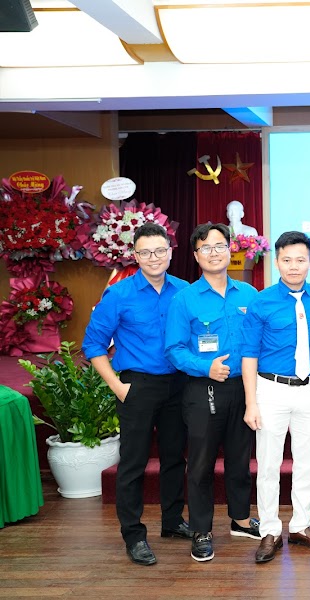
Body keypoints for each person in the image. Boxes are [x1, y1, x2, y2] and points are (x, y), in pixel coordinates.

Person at [82, 223, 191, 566]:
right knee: (133, 462)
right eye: (145, 252)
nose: (153, 257)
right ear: (135, 256)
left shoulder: (185, 291)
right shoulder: (119, 294)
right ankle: (133, 535)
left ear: (170, 252)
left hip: (179, 384)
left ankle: (172, 521)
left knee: (175, 457)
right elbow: (93, 345)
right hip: (137, 386)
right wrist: (117, 386)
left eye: (159, 250)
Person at [164, 223, 260, 562]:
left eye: (220, 246)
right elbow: (173, 349)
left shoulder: (249, 294)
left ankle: (241, 519)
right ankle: (201, 529)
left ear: (230, 249)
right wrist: (206, 367)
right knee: (201, 463)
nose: (214, 253)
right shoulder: (184, 299)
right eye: (206, 248)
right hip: (203, 388)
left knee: (240, 458)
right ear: (196, 256)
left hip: (244, 388)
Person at [242, 231, 310, 564]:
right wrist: (251, 402)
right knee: (268, 464)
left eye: (300, 260)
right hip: (271, 390)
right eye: (287, 260)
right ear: (277, 262)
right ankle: (269, 529)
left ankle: (301, 525)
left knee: (308, 462)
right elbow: (249, 355)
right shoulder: (261, 301)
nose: (294, 266)